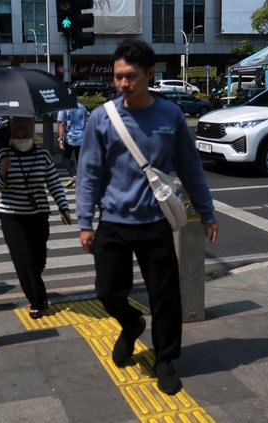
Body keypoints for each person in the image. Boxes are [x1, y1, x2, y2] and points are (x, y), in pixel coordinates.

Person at [76, 40, 218, 395]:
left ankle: (166, 359)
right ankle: (130, 323)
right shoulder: (102, 118)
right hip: (113, 222)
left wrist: (207, 211)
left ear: (150, 74)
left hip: (155, 224)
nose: (123, 83)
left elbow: (190, 167)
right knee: (108, 291)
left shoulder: (169, 115)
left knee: (165, 296)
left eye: (131, 77)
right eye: (118, 76)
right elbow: (89, 171)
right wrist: (84, 221)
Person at [0, 117, 71, 319]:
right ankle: (37, 300)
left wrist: (63, 206)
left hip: (38, 214)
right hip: (11, 215)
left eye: (25, 135)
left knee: (38, 260)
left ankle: (36, 288)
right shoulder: (3, 155)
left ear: (32, 134)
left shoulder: (42, 154)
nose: (22, 138)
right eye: (17, 135)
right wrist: (2, 173)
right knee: (23, 261)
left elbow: (53, 182)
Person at [57, 101, 88, 188]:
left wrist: (60, 139)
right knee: (79, 160)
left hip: (70, 138)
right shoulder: (82, 107)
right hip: (82, 137)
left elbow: (62, 124)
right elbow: (86, 123)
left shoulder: (64, 107)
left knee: (65, 157)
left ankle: (73, 175)